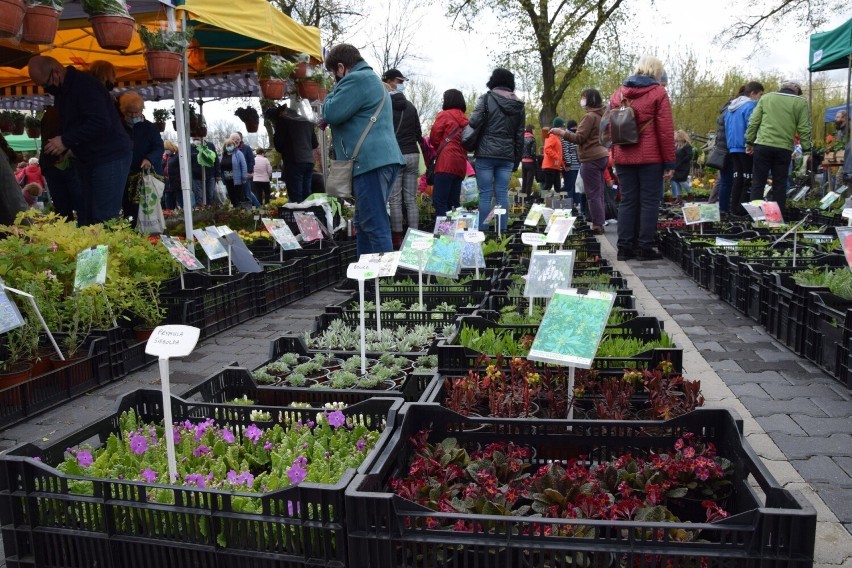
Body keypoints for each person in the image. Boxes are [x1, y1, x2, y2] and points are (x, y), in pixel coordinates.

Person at [322, 43, 404, 262]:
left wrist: (327, 95)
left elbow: (332, 112)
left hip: (370, 162)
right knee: (364, 222)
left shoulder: (356, 79)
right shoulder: (372, 80)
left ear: (341, 67)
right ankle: (364, 275)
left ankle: (381, 282)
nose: (335, 79)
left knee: (374, 223)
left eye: (334, 74)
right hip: (378, 161)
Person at [28, 55, 132, 225]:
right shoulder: (62, 91)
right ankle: (93, 250)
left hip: (109, 156)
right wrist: (69, 148)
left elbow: (100, 122)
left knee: (102, 217)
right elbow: (77, 123)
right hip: (90, 158)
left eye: (46, 84)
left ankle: (108, 250)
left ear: (56, 72)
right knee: (88, 215)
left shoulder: (84, 85)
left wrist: (65, 140)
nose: (46, 89)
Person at [609, 55, 675, 261]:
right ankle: (645, 247)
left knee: (627, 201)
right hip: (651, 157)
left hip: (623, 155)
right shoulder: (658, 93)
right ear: (656, 71)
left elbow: (612, 127)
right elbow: (664, 131)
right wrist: (669, 162)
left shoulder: (619, 93)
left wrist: (613, 155)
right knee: (649, 202)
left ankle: (624, 247)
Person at [469, 67, 525, 232]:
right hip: (507, 155)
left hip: (486, 153)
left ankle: (483, 231)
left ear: (493, 81)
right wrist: (517, 159)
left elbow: (473, 121)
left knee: (485, 193)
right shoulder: (519, 105)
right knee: (502, 193)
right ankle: (502, 232)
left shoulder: (486, 99)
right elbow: (520, 135)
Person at [745, 80, 812, 215]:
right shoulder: (800, 102)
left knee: (758, 182)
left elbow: (753, 122)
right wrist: (806, 150)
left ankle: (755, 217)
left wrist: (749, 142)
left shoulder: (766, 98)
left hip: (763, 145)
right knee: (780, 184)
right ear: (795, 89)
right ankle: (775, 219)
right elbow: (804, 128)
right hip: (784, 148)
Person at [551, 88, 610, 234]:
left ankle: (597, 224)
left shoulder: (589, 117)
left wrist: (562, 133)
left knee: (592, 193)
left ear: (589, 100)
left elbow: (579, 138)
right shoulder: (602, 115)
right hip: (602, 155)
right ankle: (600, 221)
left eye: (583, 97)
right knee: (599, 191)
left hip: (591, 158)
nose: (581, 100)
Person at [383, 68, 426, 247]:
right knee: (410, 199)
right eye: (400, 82)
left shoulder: (384, 105)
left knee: (395, 200)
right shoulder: (411, 107)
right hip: (413, 155)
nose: (401, 85)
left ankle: (397, 239)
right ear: (392, 81)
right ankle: (414, 237)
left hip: (395, 156)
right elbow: (418, 134)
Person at [118, 90, 164, 221]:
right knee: (128, 209)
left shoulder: (150, 128)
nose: (133, 116)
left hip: (145, 175)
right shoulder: (119, 127)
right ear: (123, 111)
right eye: (129, 112)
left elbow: (159, 147)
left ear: (141, 110)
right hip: (125, 175)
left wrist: (149, 158)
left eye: (136, 112)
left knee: (145, 209)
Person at [724, 81, 764, 216]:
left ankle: (734, 208)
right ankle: (743, 210)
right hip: (745, 146)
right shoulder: (750, 105)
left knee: (737, 179)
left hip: (733, 147)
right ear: (753, 93)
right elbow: (751, 125)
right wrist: (751, 143)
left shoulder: (731, 108)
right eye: (760, 94)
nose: (760, 98)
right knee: (748, 179)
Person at [429, 88, 469, 218]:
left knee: (439, 201)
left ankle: (444, 235)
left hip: (445, 163)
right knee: (454, 203)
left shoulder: (444, 115)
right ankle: (458, 232)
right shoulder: (465, 120)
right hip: (460, 164)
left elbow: (434, 138)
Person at [269, 104, 318, 203]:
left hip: (294, 161)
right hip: (308, 161)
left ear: (281, 113)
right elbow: (315, 144)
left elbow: (278, 145)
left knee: (296, 196)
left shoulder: (283, 121)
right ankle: (308, 216)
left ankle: (298, 217)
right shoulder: (307, 121)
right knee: (307, 194)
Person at [231, 132, 260, 207]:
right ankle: (251, 208)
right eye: (233, 139)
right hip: (235, 177)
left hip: (245, 175)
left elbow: (251, 161)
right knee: (242, 194)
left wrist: (249, 172)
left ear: (240, 139)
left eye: (238, 139)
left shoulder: (246, 148)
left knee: (247, 193)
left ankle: (255, 208)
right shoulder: (230, 149)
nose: (236, 141)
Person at [190, 136, 220, 205]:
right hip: (196, 177)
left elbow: (216, 161)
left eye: (197, 137)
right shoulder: (190, 147)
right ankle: (201, 212)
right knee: (199, 197)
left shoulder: (210, 146)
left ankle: (210, 211)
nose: (195, 138)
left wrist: (218, 174)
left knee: (210, 196)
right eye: (193, 137)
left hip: (210, 175)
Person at [220, 138, 248, 207]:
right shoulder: (223, 154)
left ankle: (243, 212)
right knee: (232, 197)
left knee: (240, 197)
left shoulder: (238, 153)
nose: (229, 147)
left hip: (237, 180)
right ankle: (235, 212)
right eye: (228, 145)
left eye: (231, 145)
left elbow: (243, 165)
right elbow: (221, 166)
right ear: (225, 146)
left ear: (234, 145)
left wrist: (244, 177)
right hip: (227, 180)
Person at [541, 117, 565, 194]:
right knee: (548, 185)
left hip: (555, 166)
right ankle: (541, 201)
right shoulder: (551, 136)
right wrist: (557, 157)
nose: (562, 130)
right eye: (562, 127)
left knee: (557, 185)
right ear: (558, 127)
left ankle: (558, 202)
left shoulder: (557, 138)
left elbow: (558, 152)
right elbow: (547, 149)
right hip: (550, 166)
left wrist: (562, 164)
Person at [561, 119, 581, 206]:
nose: (575, 128)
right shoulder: (565, 136)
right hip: (571, 166)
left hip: (577, 165)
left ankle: (577, 203)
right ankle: (569, 204)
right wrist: (568, 163)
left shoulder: (575, 135)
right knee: (570, 186)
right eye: (574, 127)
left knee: (577, 185)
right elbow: (565, 150)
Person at [670, 130, 693, 204]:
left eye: (677, 136)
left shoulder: (687, 146)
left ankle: (690, 194)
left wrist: (682, 161)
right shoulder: (677, 146)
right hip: (677, 166)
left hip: (683, 167)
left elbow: (689, 155)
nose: (675, 137)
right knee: (675, 180)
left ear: (681, 136)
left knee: (682, 181)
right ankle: (678, 197)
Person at [520, 124, 537, 198]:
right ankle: (527, 198)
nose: (534, 131)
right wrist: (535, 161)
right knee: (529, 181)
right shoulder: (532, 139)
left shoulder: (522, 138)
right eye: (534, 130)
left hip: (523, 162)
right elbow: (533, 152)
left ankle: (522, 197)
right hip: (530, 162)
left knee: (524, 180)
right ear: (531, 130)